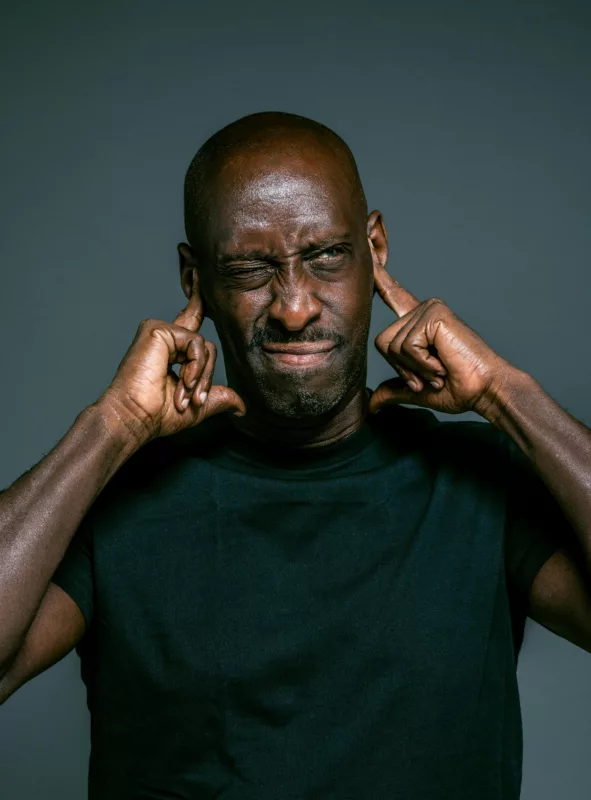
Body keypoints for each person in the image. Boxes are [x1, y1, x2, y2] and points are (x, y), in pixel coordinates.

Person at [0, 111, 589, 800]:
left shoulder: (482, 480)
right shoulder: (116, 497)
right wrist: (111, 426)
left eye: (326, 256)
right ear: (196, 282)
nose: (293, 307)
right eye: (250, 268)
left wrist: (505, 392)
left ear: (375, 247)